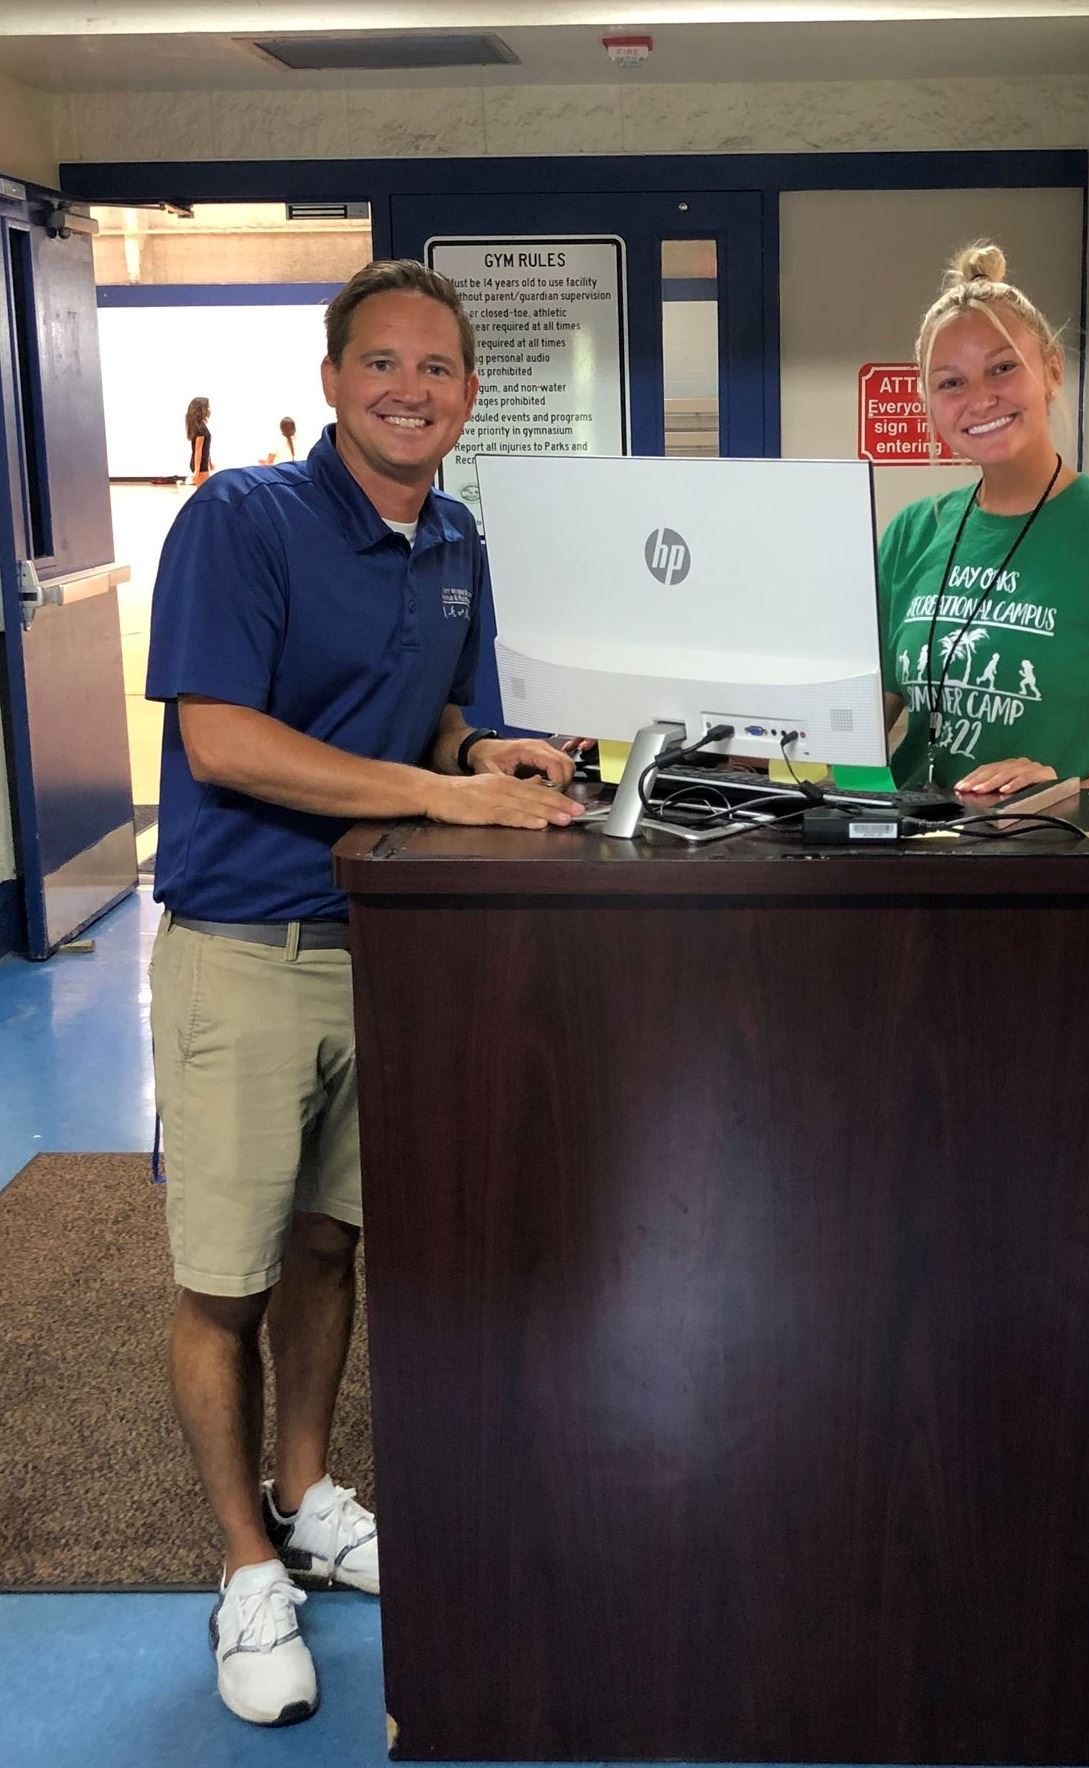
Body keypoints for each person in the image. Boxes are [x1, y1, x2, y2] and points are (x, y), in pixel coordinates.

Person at [145, 259, 581, 1729]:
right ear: (333, 381)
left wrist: (478, 754)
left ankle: (307, 1492)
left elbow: (435, 708)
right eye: (380, 362)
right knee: (226, 1279)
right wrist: (439, 796)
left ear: (469, 392)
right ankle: (243, 1563)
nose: (409, 388)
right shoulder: (242, 519)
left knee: (331, 1246)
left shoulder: (453, 536)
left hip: (384, 949)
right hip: (245, 948)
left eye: (436, 367)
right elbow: (224, 739)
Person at [878, 242, 1089, 795]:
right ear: (929, 402)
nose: (980, 399)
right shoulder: (912, 534)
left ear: (1052, 371)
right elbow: (862, 713)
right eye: (951, 382)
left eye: (1002, 369)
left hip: (1058, 842)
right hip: (915, 836)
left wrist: (1070, 797)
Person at [185, 395, 212, 482]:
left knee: (204, 488)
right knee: (204, 489)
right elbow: (198, 450)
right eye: (208, 407)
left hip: (202, 464)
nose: (210, 409)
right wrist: (197, 470)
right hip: (200, 465)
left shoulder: (201, 426)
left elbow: (205, 447)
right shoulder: (200, 428)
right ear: (202, 410)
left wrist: (209, 461)